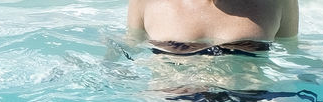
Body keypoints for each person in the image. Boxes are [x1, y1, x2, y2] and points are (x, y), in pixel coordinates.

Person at [126, 0, 298, 55]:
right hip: (175, 98)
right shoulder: (148, 2)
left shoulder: (276, 2)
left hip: (255, 98)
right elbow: (129, 47)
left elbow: (292, 52)